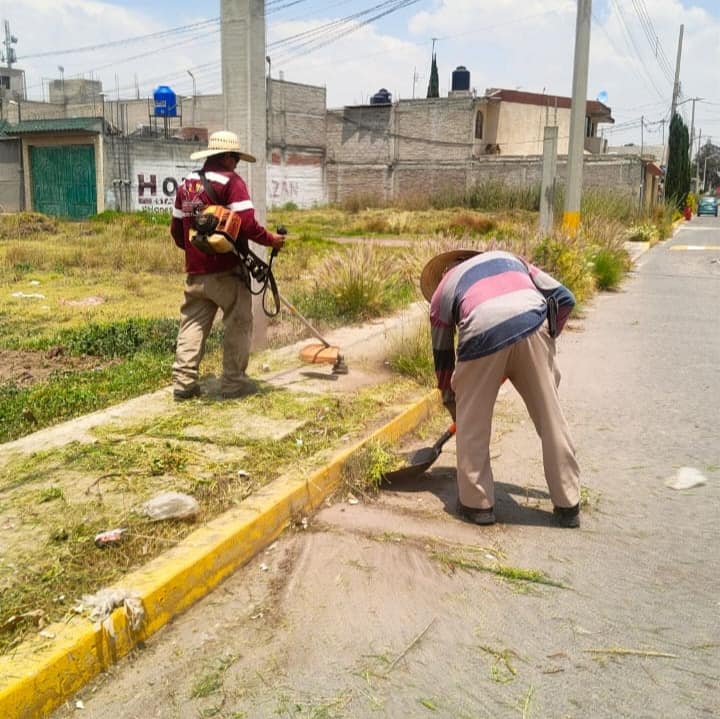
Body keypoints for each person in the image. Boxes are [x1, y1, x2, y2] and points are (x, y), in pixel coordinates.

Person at [420, 249, 581, 528]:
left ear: (445, 271)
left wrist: (454, 401)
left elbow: (442, 356)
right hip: (534, 322)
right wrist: (544, 346)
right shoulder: (511, 260)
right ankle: (568, 503)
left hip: (482, 331)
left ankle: (477, 504)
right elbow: (565, 299)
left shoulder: (443, 291)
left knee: (473, 426)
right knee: (550, 417)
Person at [170, 130, 285, 401]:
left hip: (195, 274)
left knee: (192, 324)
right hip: (227, 273)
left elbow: (177, 231)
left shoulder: (187, 184)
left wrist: (197, 253)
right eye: (235, 159)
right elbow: (246, 222)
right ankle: (233, 383)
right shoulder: (231, 181)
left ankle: (184, 383)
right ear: (228, 157)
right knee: (238, 322)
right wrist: (272, 240)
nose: (236, 164)